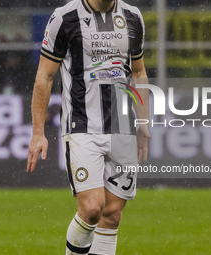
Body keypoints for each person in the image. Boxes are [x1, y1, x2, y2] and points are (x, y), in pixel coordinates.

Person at [26, 0, 150, 254]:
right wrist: (38, 132)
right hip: (81, 126)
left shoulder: (133, 17)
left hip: (122, 127)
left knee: (112, 214)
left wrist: (143, 122)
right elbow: (45, 76)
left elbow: (138, 72)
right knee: (93, 208)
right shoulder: (65, 17)